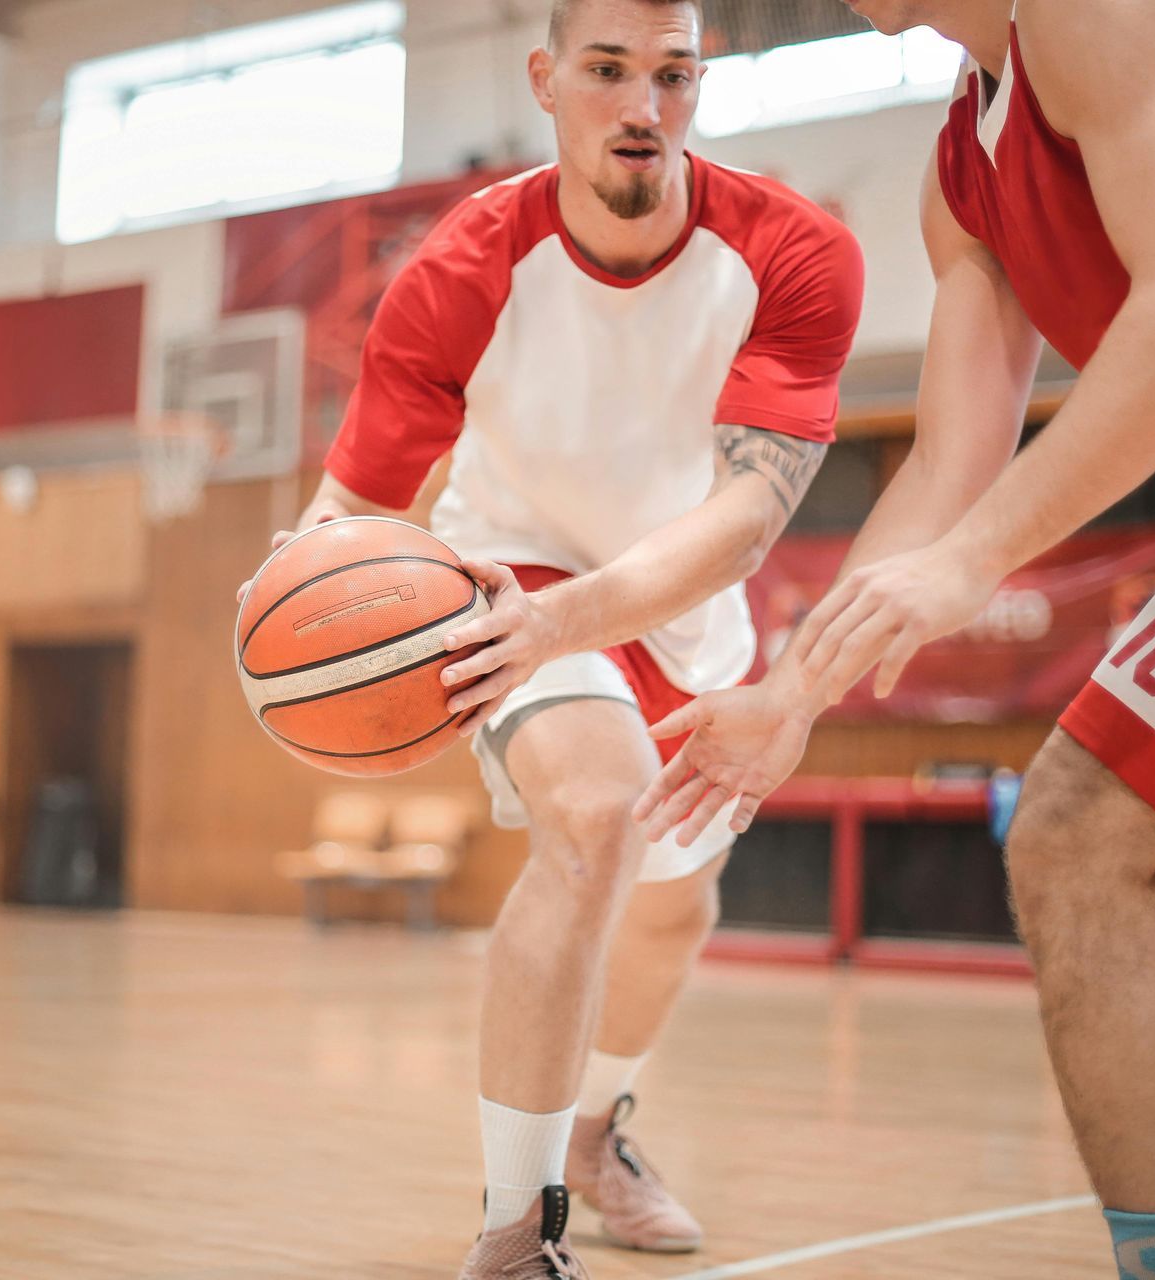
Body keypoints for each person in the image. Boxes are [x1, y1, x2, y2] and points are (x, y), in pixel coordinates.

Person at [635, 1, 1155, 1275]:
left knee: (1074, 835)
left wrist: (970, 565)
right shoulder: (965, 170)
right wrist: (792, 692)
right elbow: (950, 468)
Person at [239, 0, 862, 1273]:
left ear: (701, 84)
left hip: (684, 594)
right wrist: (287, 612)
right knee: (599, 813)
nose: (644, 106)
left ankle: (591, 1134)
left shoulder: (796, 253)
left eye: (674, 75)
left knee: (676, 911)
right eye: (610, 71)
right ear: (546, 79)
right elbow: (355, 501)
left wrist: (581, 616)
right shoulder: (461, 266)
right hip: (509, 575)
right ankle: (516, 1232)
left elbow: (751, 513)